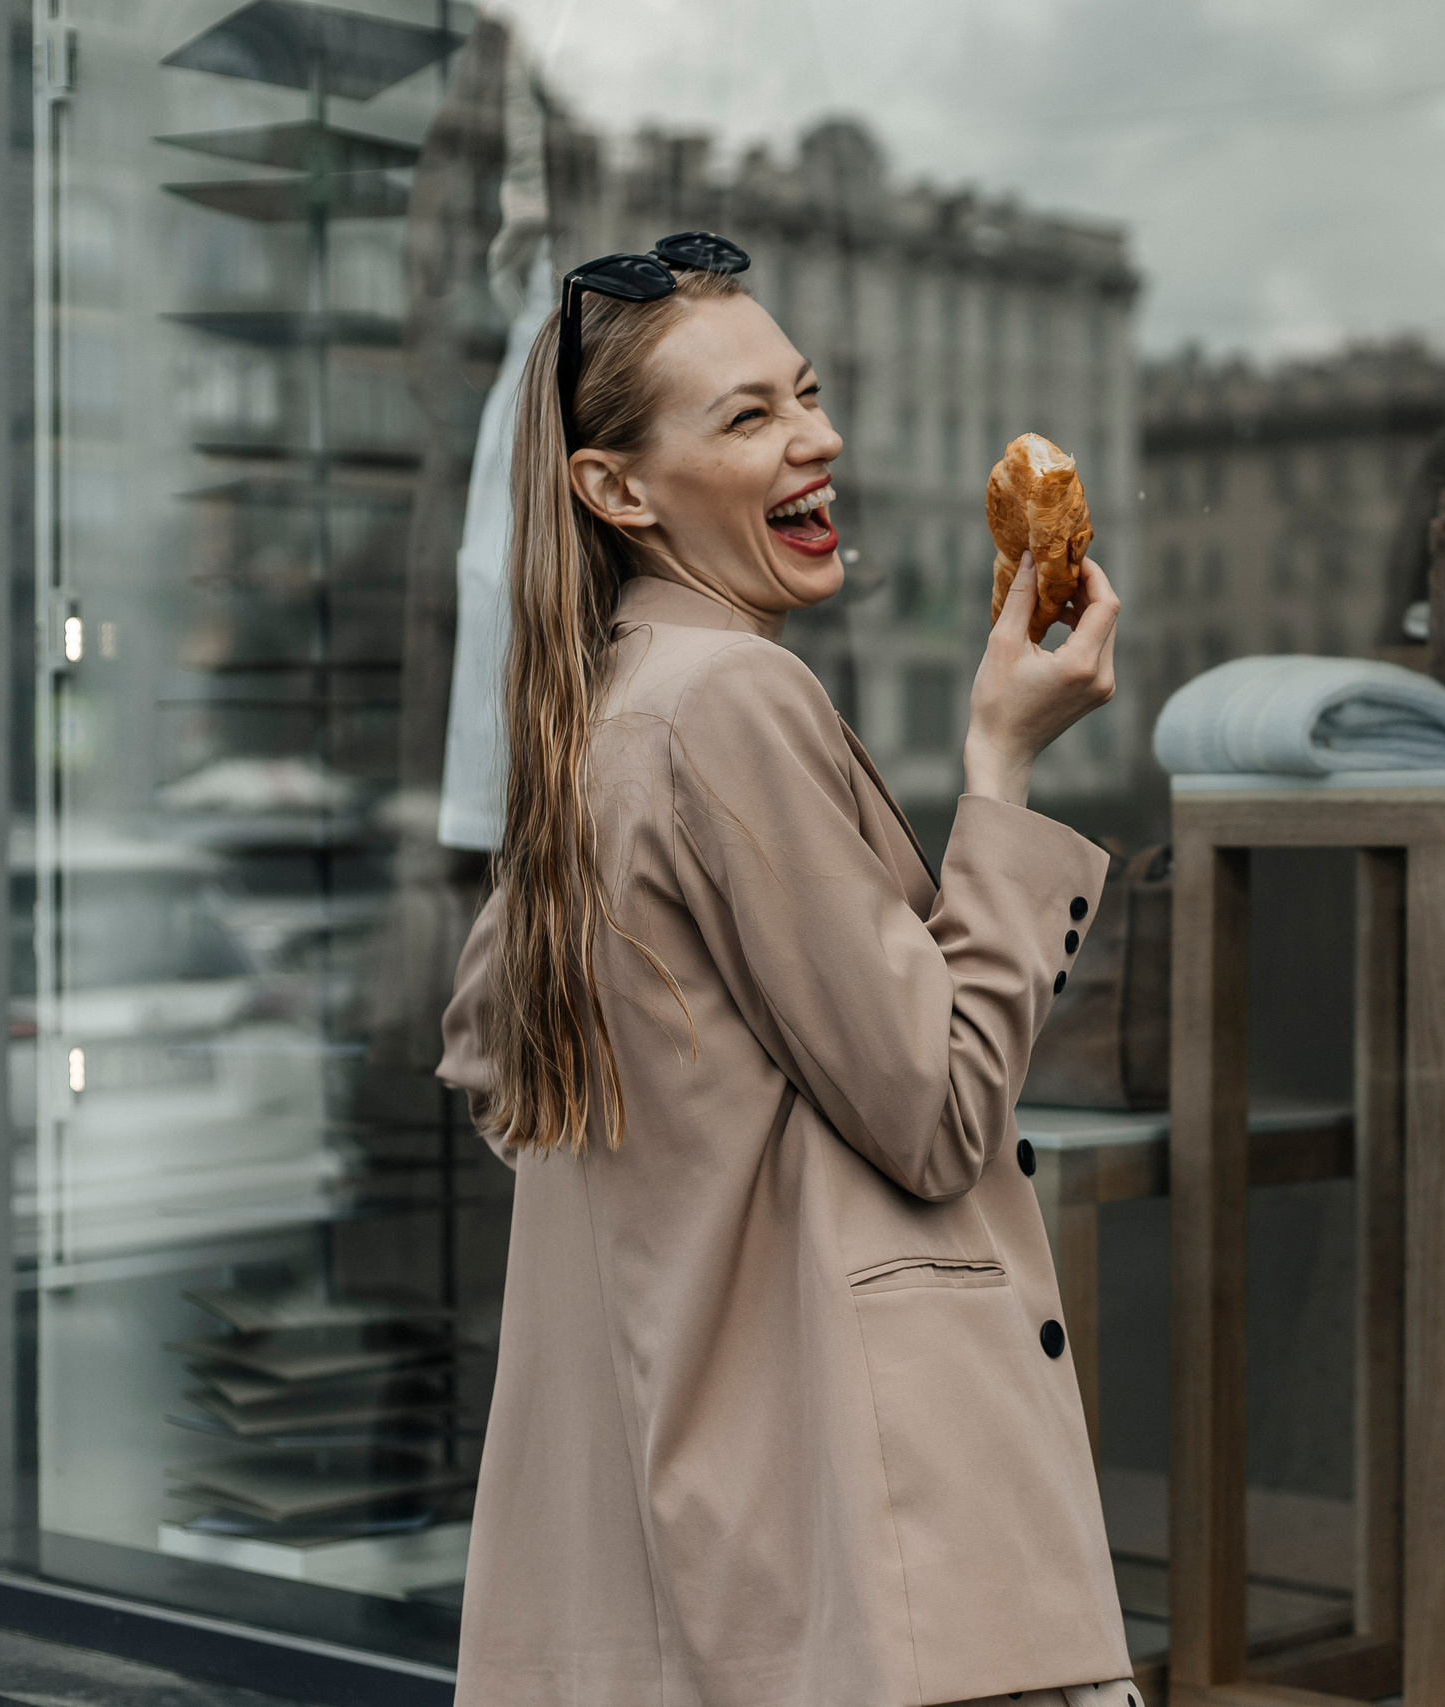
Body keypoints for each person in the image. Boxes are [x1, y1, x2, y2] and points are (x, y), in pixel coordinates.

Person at [436, 232, 1137, 1707]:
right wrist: (1002, 767)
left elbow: (497, 1071)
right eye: (747, 416)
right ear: (616, 490)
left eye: (805, 393)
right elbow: (936, 1117)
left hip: (688, 1544)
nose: (817, 437)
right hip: (869, 1553)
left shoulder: (597, 709)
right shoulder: (731, 701)